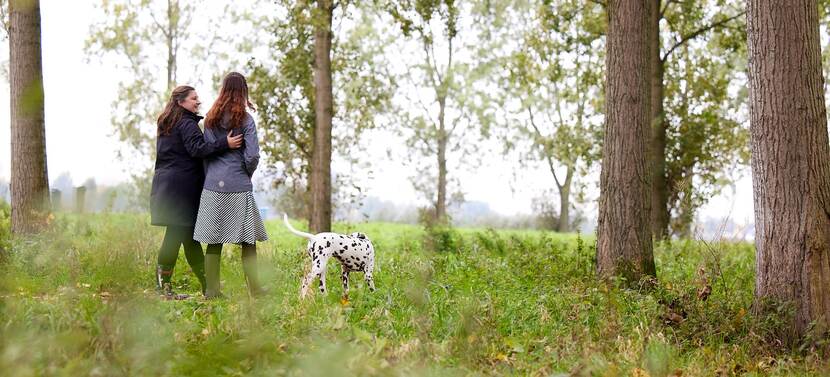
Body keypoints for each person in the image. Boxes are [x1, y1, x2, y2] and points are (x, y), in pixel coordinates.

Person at [151, 85, 243, 299]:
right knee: (175, 236)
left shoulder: (168, 123)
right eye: (193, 99)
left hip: (167, 186)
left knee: (188, 238)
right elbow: (197, 149)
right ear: (180, 102)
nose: (198, 101)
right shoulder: (186, 123)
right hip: (181, 189)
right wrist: (225, 143)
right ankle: (165, 289)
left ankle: (207, 288)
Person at [193, 72, 268, 298]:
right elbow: (252, 155)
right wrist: (246, 173)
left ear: (223, 89)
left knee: (214, 241)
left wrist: (211, 176)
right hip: (238, 183)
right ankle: (254, 289)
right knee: (248, 241)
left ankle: (212, 291)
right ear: (243, 91)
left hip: (213, 184)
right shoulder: (246, 120)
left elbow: (206, 152)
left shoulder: (210, 119)